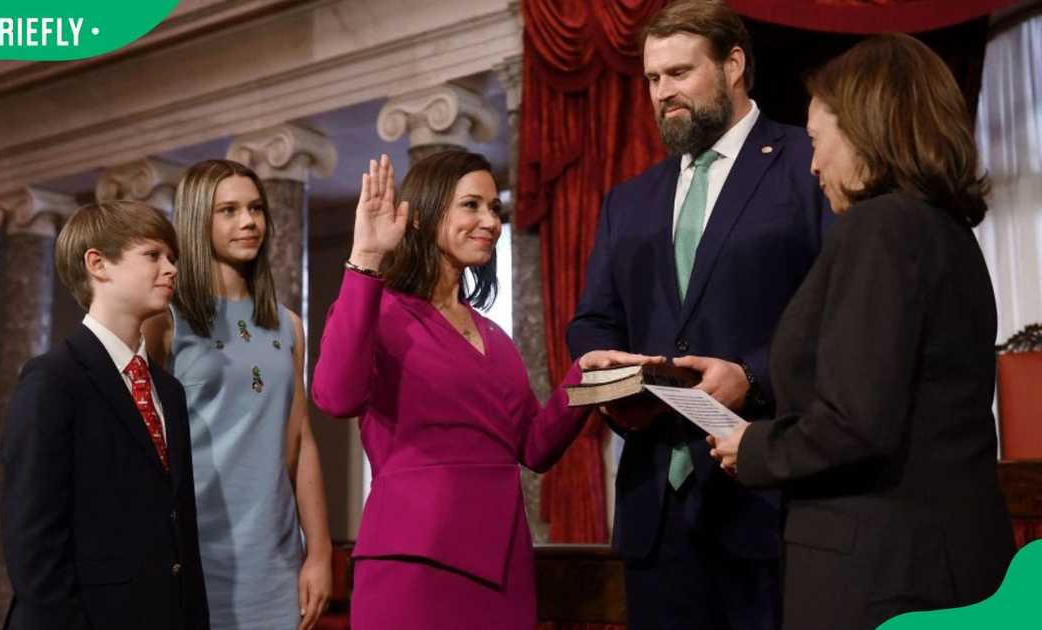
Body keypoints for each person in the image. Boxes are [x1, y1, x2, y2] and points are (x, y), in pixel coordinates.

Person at [709, 33, 1016, 630]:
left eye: (820, 141)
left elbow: (857, 423)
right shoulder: (947, 233)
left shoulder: (878, 228)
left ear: (868, 132)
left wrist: (753, 447)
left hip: (881, 575)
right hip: (950, 562)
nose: (815, 163)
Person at [565, 1, 831, 628]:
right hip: (655, 512)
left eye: (680, 73)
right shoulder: (627, 202)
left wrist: (755, 376)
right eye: (654, 79)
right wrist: (602, 368)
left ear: (734, 64)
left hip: (771, 501)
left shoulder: (808, 164)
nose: (663, 93)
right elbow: (592, 320)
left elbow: (839, 314)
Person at [312, 151, 660, 629]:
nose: (490, 222)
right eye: (471, 205)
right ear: (427, 213)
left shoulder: (493, 337)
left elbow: (534, 447)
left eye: (495, 208)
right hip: (415, 564)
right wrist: (367, 259)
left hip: (503, 564)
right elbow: (335, 396)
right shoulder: (382, 311)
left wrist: (585, 373)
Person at [0, 200, 209, 630]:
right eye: (153, 255)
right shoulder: (52, 379)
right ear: (98, 264)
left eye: (172, 258)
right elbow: (33, 545)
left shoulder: (167, 390)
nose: (171, 269)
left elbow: (180, 534)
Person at [144, 159, 332, 630]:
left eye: (255, 208)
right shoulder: (165, 320)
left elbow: (301, 440)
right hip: (191, 553)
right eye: (228, 210)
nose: (249, 222)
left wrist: (320, 552)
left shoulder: (287, 324)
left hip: (274, 558)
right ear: (197, 219)